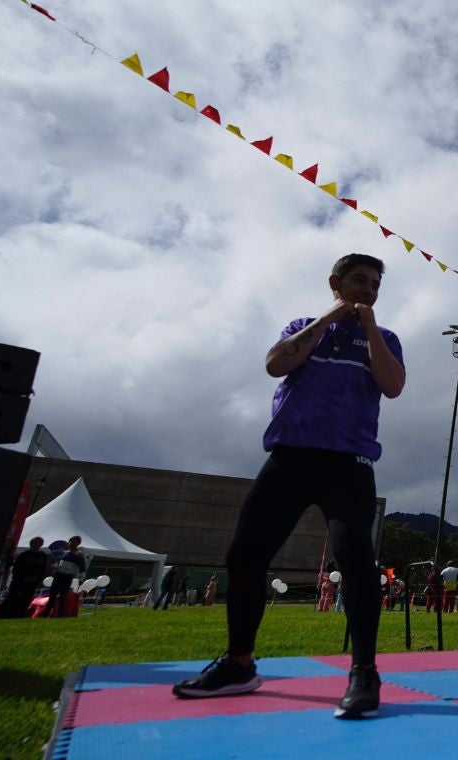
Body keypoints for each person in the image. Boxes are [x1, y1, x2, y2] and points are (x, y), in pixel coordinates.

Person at [172, 252, 406, 721]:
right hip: (290, 456)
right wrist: (328, 318)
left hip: (349, 462)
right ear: (335, 282)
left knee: (357, 558)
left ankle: (364, 672)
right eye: (359, 281)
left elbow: (394, 385)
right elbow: (276, 365)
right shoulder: (304, 325)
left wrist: (370, 327)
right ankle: (239, 665)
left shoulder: (385, 338)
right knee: (245, 556)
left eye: (375, 285)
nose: (367, 290)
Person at [0, 536, 49, 618]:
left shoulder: (43, 556)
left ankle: (19, 615)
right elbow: (16, 568)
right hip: (20, 581)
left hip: (33, 581)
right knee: (12, 597)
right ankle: (1, 615)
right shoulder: (24, 555)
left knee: (25, 599)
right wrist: (22, 577)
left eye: (39, 543)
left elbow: (43, 569)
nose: (37, 545)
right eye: (35, 543)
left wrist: (38, 579)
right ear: (31, 544)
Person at [46, 536, 87, 618]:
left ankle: (60, 614)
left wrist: (81, 579)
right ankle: (46, 614)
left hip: (67, 576)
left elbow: (82, 568)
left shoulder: (79, 554)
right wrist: (54, 566)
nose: (71, 543)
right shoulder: (65, 553)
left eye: (74, 542)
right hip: (58, 575)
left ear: (78, 543)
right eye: (71, 541)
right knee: (52, 595)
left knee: (62, 596)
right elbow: (59, 563)